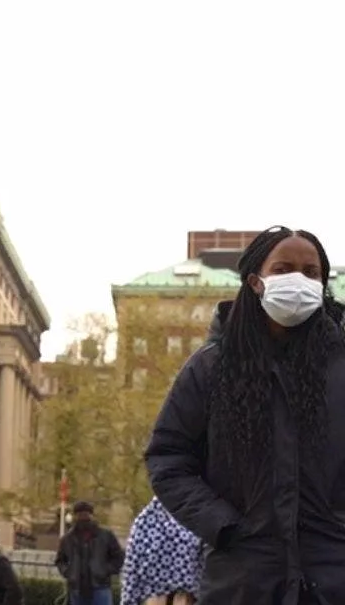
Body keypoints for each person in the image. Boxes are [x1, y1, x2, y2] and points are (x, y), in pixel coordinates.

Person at [146, 226, 345, 604]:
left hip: (332, 576)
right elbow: (168, 457)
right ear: (256, 281)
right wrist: (222, 525)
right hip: (242, 580)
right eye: (283, 269)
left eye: (310, 272)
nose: (298, 280)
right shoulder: (211, 368)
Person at [119, 497, 202, 605]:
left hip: (157, 591)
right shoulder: (198, 513)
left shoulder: (145, 521)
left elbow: (132, 567)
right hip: (185, 592)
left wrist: (129, 598)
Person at [56, 501, 125, 605]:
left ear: (92, 516)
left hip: (100, 587)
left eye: (86, 515)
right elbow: (60, 560)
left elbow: (118, 557)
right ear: (75, 516)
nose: (83, 518)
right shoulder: (67, 539)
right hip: (77, 589)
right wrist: (68, 572)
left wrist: (105, 570)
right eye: (80, 515)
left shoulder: (106, 536)